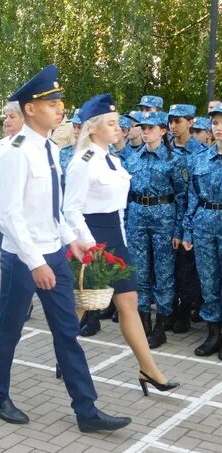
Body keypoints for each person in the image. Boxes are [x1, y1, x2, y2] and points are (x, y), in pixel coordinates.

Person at [0, 65, 131, 432]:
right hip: (24, 258)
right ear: (30, 109)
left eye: (59, 102)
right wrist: (36, 263)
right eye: (51, 102)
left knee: (68, 332)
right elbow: (9, 216)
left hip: (53, 253)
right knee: (9, 328)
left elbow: (53, 208)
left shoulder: (50, 148)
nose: (59, 108)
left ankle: (87, 411)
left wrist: (73, 241)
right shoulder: (16, 152)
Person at [63, 94, 179, 395]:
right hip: (95, 241)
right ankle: (65, 356)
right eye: (111, 123)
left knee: (129, 303)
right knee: (80, 307)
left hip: (117, 237)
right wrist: (90, 247)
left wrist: (121, 243)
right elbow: (70, 210)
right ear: (93, 128)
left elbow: (117, 209)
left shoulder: (112, 158)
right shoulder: (83, 161)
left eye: (118, 123)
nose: (119, 128)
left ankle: (148, 369)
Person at [124, 111, 187, 348]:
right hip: (137, 219)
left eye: (151, 127)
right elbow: (127, 194)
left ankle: (160, 326)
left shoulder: (175, 159)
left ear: (163, 130)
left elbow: (182, 197)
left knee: (164, 274)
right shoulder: (132, 158)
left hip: (164, 220)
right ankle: (144, 325)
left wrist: (179, 231)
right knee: (139, 273)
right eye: (143, 127)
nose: (145, 131)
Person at [182, 103, 222, 359]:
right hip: (205, 224)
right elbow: (192, 198)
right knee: (208, 282)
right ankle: (213, 333)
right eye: (216, 123)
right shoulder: (200, 160)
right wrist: (187, 231)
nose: (219, 128)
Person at [168, 104, 206, 333]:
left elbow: (195, 193)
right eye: (171, 121)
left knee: (186, 268)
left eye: (178, 121)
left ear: (190, 123)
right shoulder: (165, 149)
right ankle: (170, 309)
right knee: (167, 268)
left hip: (187, 216)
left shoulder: (200, 154)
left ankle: (184, 311)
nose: (173, 126)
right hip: (165, 216)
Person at [0, 101, 24, 253]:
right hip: (3, 212)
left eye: (12, 116)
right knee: (5, 255)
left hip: (22, 214)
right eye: (6, 116)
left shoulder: (30, 145)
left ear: (24, 118)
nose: (6, 120)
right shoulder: (1, 145)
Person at [59, 109, 82, 179]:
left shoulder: (96, 152)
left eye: (80, 127)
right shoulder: (65, 151)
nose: (75, 131)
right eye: (74, 126)